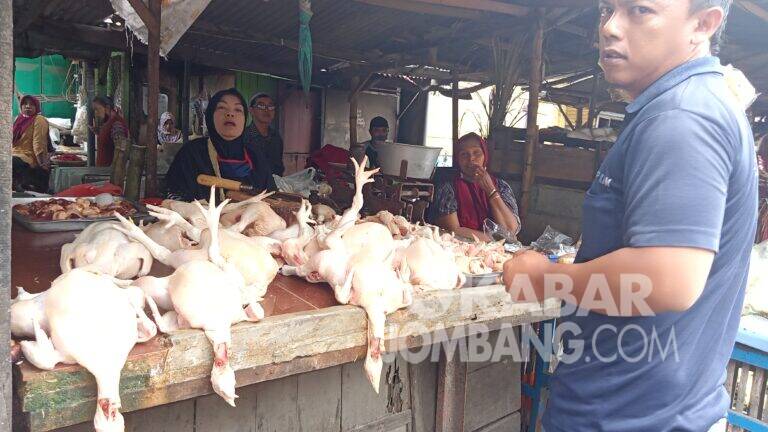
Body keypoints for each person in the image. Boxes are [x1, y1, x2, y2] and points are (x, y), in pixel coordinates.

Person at [502, 2, 755, 432]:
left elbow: (667, 279)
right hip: (655, 407)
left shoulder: (681, 117)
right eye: (607, 8)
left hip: (628, 416)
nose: (611, 27)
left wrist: (545, 277)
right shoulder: (695, 104)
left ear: (703, 24)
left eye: (640, 10)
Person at [166, 88, 275, 201]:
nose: (230, 114)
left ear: (245, 119)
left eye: (238, 110)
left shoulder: (256, 156)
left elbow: (271, 198)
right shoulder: (192, 153)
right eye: (222, 108)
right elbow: (174, 195)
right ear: (210, 115)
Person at [433, 132, 520, 241]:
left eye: (476, 153)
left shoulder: (501, 186)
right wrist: (495, 240)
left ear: (485, 156)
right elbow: (451, 229)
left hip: (498, 250)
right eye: (464, 154)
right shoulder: (449, 186)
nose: (471, 159)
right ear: (457, 159)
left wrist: (491, 191)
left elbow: (511, 229)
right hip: (461, 248)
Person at [12, 95, 50, 191]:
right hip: (22, 160)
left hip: (19, 160)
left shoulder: (35, 119)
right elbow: (38, 144)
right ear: (21, 107)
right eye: (25, 104)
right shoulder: (23, 119)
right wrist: (43, 166)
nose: (28, 106)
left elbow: (38, 143)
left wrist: (42, 164)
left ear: (36, 106)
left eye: (31, 104)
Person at [245, 93, 284, 177]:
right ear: (251, 110)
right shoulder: (244, 136)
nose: (267, 110)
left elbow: (279, 167)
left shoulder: (276, 137)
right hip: (250, 187)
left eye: (270, 107)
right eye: (261, 106)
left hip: (274, 186)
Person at [91, 96, 129, 167]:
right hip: (103, 170)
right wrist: (100, 132)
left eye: (97, 109)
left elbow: (121, 148)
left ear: (107, 107)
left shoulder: (116, 123)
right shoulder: (109, 122)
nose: (96, 113)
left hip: (108, 172)